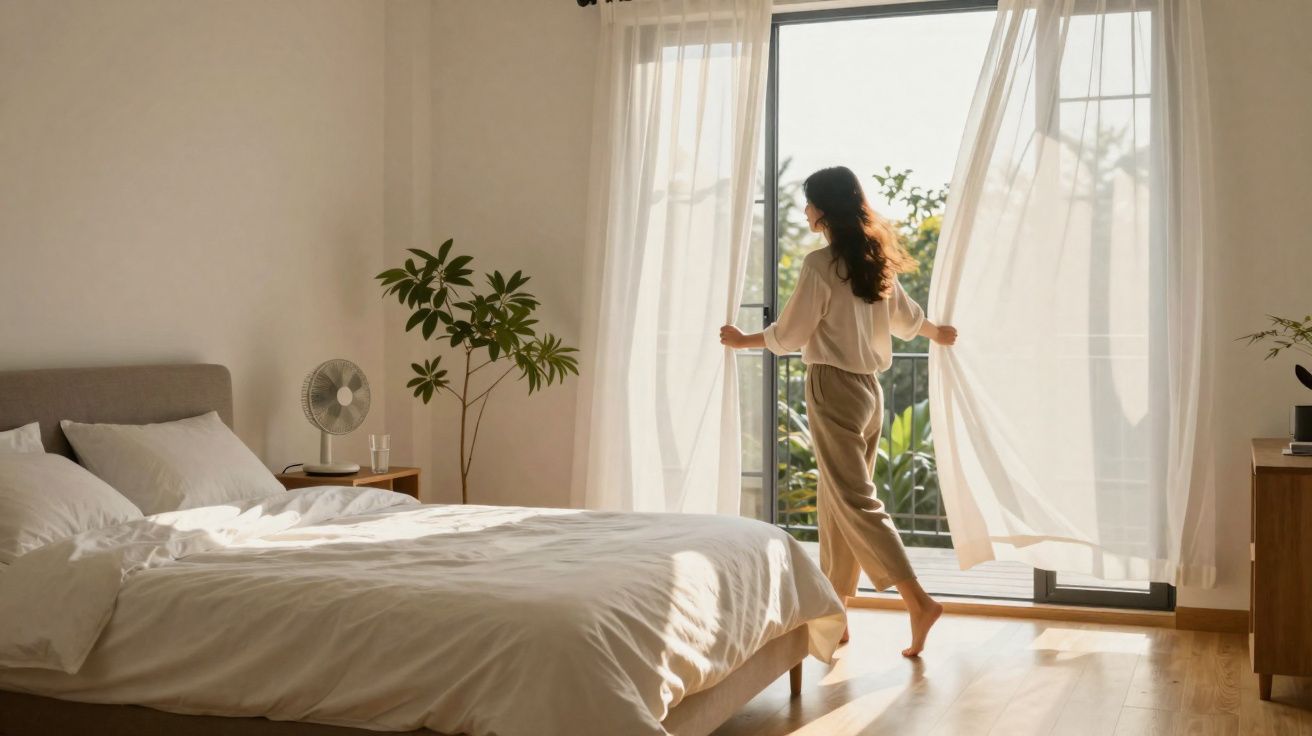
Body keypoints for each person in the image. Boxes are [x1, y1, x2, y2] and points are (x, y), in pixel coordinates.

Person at [720, 166, 957, 657]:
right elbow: (909, 319)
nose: (805, 211)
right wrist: (940, 334)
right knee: (837, 504)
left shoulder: (821, 264)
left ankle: (919, 601)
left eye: (809, 203)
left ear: (823, 209)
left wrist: (743, 340)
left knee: (854, 501)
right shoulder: (876, 260)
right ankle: (838, 614)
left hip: (833, 387)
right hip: (871, 391)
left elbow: (790, 333)